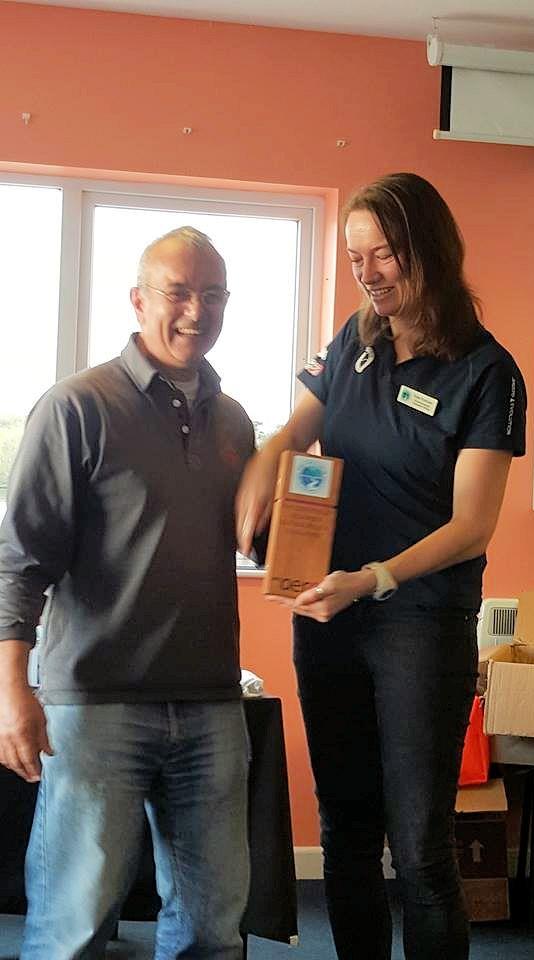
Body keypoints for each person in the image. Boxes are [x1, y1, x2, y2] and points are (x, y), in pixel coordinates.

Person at [237, 172, 527, 960]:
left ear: (428, 250)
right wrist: (260, 472)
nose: (368, 273)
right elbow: (296, 429)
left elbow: (472, 526)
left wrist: (376, 578)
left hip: (419, 621)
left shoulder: (485, 371)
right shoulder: (355, 338)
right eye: (355, 256)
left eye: (384, 254)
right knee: (347, 833)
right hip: (330, 614)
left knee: (421, 845)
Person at [0, 226, 255, 959]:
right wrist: (12, 689)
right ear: (138, 300)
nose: (195, 312)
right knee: (71, 926)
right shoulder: (76, 406)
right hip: (96, 707)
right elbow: (20, 561)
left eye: (212, 295)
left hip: (210, 706)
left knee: (212, 931)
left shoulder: (234, 418)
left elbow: (252, 536)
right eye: (178, 293)